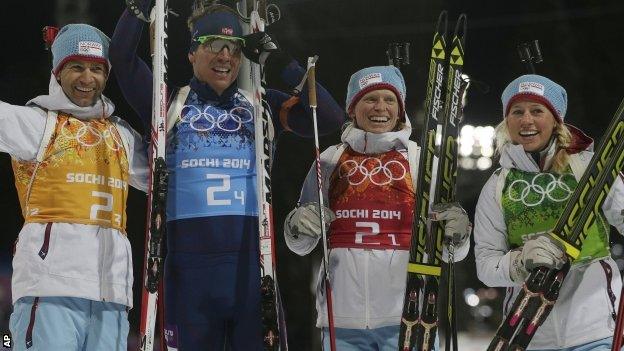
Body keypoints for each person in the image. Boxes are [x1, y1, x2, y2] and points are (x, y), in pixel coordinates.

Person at [109, 2, 345, 349]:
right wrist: (137, 9)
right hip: (188, 277)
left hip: (251, 273)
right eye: (214, 45)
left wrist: (279, 62)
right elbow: (122, 57)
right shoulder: (168, 104)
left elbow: (328, 118)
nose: (225, 56)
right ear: (192, 52)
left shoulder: (259, 105)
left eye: (234, 48)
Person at [283, 66, 472, 350]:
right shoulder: (330, 160)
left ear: (400, 108)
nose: (380, 107)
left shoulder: (420, 160)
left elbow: (451, 251)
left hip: (409, 317)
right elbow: (302, 245)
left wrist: (459, 232)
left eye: (389, 99)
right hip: (342, 320)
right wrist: (297, 226)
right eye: (370, 99)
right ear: (353, 108)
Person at [2, 24, 148, 351]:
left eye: (97, 69)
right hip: (51, 286)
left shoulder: (122, 136)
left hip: (111, 293)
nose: (87, 78)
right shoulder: (38, 123)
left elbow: (164, 179)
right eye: (76, 67)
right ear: (58, 71)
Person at [474, 74, 624, 350]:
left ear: (556, 120)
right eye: (517, 112)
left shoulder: (589, 168)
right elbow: (485, 265)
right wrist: (520, 261)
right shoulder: (498, 185)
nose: (526, 120)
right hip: (528, 335)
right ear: (506, 122)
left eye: (537, 111)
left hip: (595, 330)